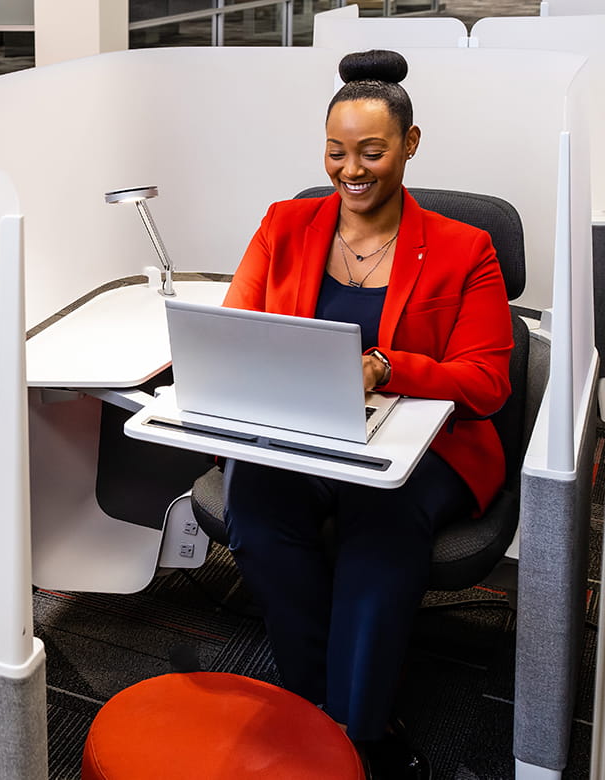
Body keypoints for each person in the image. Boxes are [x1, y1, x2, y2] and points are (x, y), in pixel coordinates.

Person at [220, 49, 512, 780]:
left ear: (410, 145)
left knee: (380, 518)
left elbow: (486, 384)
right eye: (336, 152)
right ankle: (316, 707)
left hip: (427, 442)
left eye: (372, 152)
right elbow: (237, 330)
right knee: (255, 508)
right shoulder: (286, 224)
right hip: (310, 429)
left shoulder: (465, 248)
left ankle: (363, 730)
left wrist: (385, 368)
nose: (351, 170)